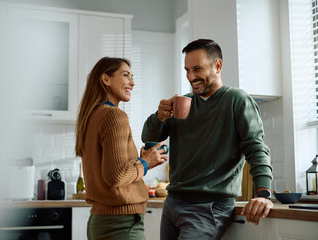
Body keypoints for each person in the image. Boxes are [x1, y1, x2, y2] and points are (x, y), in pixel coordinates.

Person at [141, 39, 273, 240]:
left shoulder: (236, 100)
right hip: (173, 204)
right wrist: (159, 117)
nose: (190, 76)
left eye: (197, 69)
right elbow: (149, 138)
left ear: (217, 65)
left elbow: (256, 148)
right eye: (187, 70)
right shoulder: (183, 103)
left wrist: (263, 194)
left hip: (209, 208)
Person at [75, 57, 168, 240]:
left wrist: (139, 162)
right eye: (126, 76)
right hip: (121, 225)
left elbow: (110, 171)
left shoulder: (92, 115)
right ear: (106, 79)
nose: (132, 83)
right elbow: (115, 176)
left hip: (101, 222)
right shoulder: (114, 116)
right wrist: (145, 163)